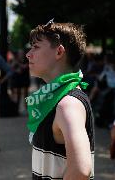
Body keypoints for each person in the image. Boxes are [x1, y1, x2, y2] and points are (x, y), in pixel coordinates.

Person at [25, 20, 94, 179]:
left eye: (36, 47)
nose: (28, 54)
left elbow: (81, 170)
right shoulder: (60, 98)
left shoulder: (67, 104)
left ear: (59, 52)